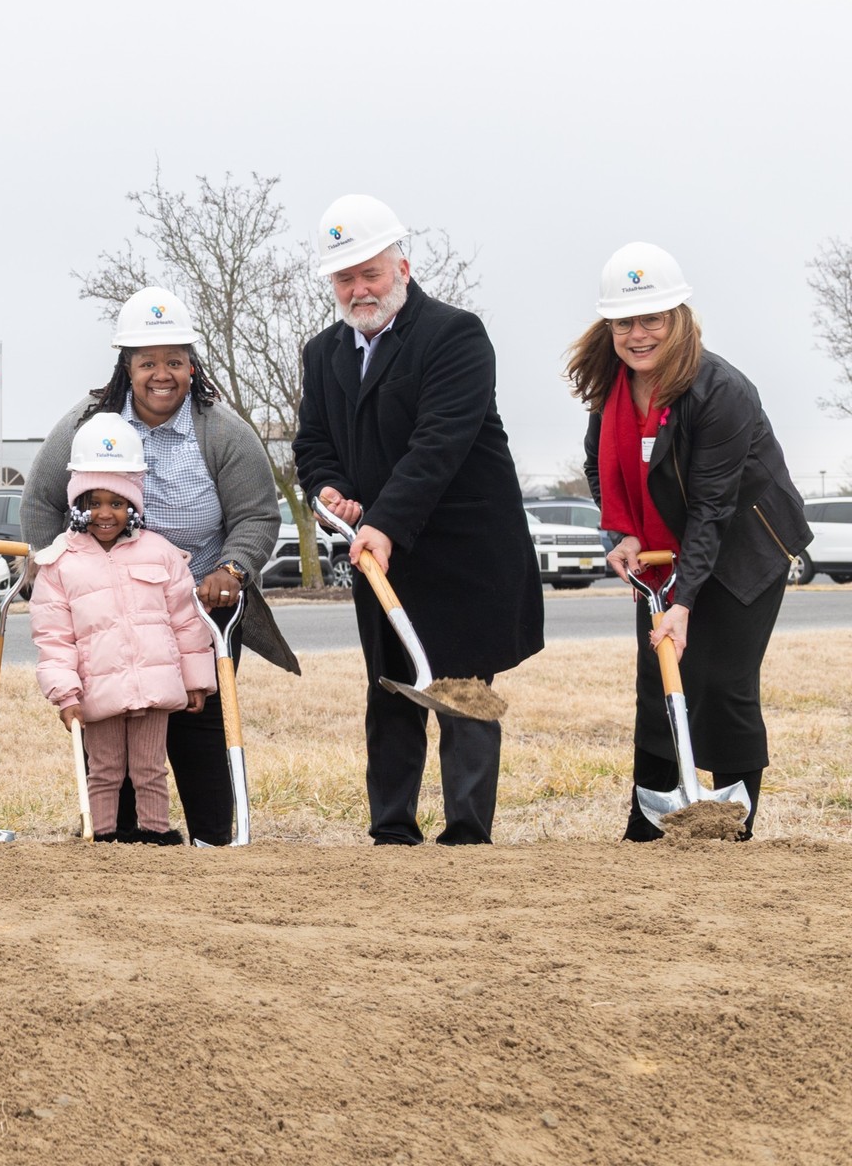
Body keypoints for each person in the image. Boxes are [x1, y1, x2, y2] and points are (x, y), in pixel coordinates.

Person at [293, 194, 541, 846]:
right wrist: (331, 494)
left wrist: (387, 522)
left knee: (461, 691)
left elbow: (440, 445)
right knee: (392, 689)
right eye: (344, 278)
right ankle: (392, 830)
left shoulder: (455, 336)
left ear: (401, 265)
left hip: (462, 548)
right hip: (384, 552)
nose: (358, 289)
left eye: (370, 273)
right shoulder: (322, 355)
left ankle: (466, 834)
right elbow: (313, 443)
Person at [19, 287, 289, 844]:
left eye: (174, 361)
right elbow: (39, 503)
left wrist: (232, 571)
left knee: (197, 726)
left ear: (192, 365)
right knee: (113, 727)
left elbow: (258, 516)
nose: (161, 374)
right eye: (147, 362)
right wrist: (68, 575)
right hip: (107, 614)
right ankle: (117, 844)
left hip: (195, 607)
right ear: (126, 367)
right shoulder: (86, 425)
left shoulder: (223, 432)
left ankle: (213, 839)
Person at [570, 242, 811, 840]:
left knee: (722, 682)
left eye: (651, 318)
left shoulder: (721, 390)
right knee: (658, 679)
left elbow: (713, 505)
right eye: (624, 322)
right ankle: (647, 826)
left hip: (745, 544)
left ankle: (734, 826)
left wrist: (682, 604)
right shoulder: (614, 389)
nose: (637, 334)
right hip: (661, 544)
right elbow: (599, 468)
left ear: (679, 317)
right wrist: (621, 529)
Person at [30, 415, 219, 844]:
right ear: (77, 506)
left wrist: (196, 681)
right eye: (92, 502)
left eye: (116, 503)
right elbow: (53, 638)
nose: (104, 513)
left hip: (154, 684)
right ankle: (103, 837)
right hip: (98, 690)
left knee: (151, 769)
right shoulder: (60, 563)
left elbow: (186, 622)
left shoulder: (163, 554)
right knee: (106, 770)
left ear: (133, 505)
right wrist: (65, 693)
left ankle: (154, 838)